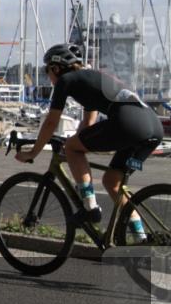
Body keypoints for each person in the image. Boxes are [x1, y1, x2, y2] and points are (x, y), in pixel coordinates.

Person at [16, 43, 162, 240]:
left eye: (47, 70)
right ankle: (141, 239)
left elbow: (51, 121)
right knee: (112, 182)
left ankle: (90, 208)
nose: (47, 76)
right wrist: (73, 146)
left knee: (73, 148)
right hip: (152, 129)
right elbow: (88, 123)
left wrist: (33, 152)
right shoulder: (90, 78)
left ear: (56, 68)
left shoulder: (66, 80)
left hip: (128, 124)